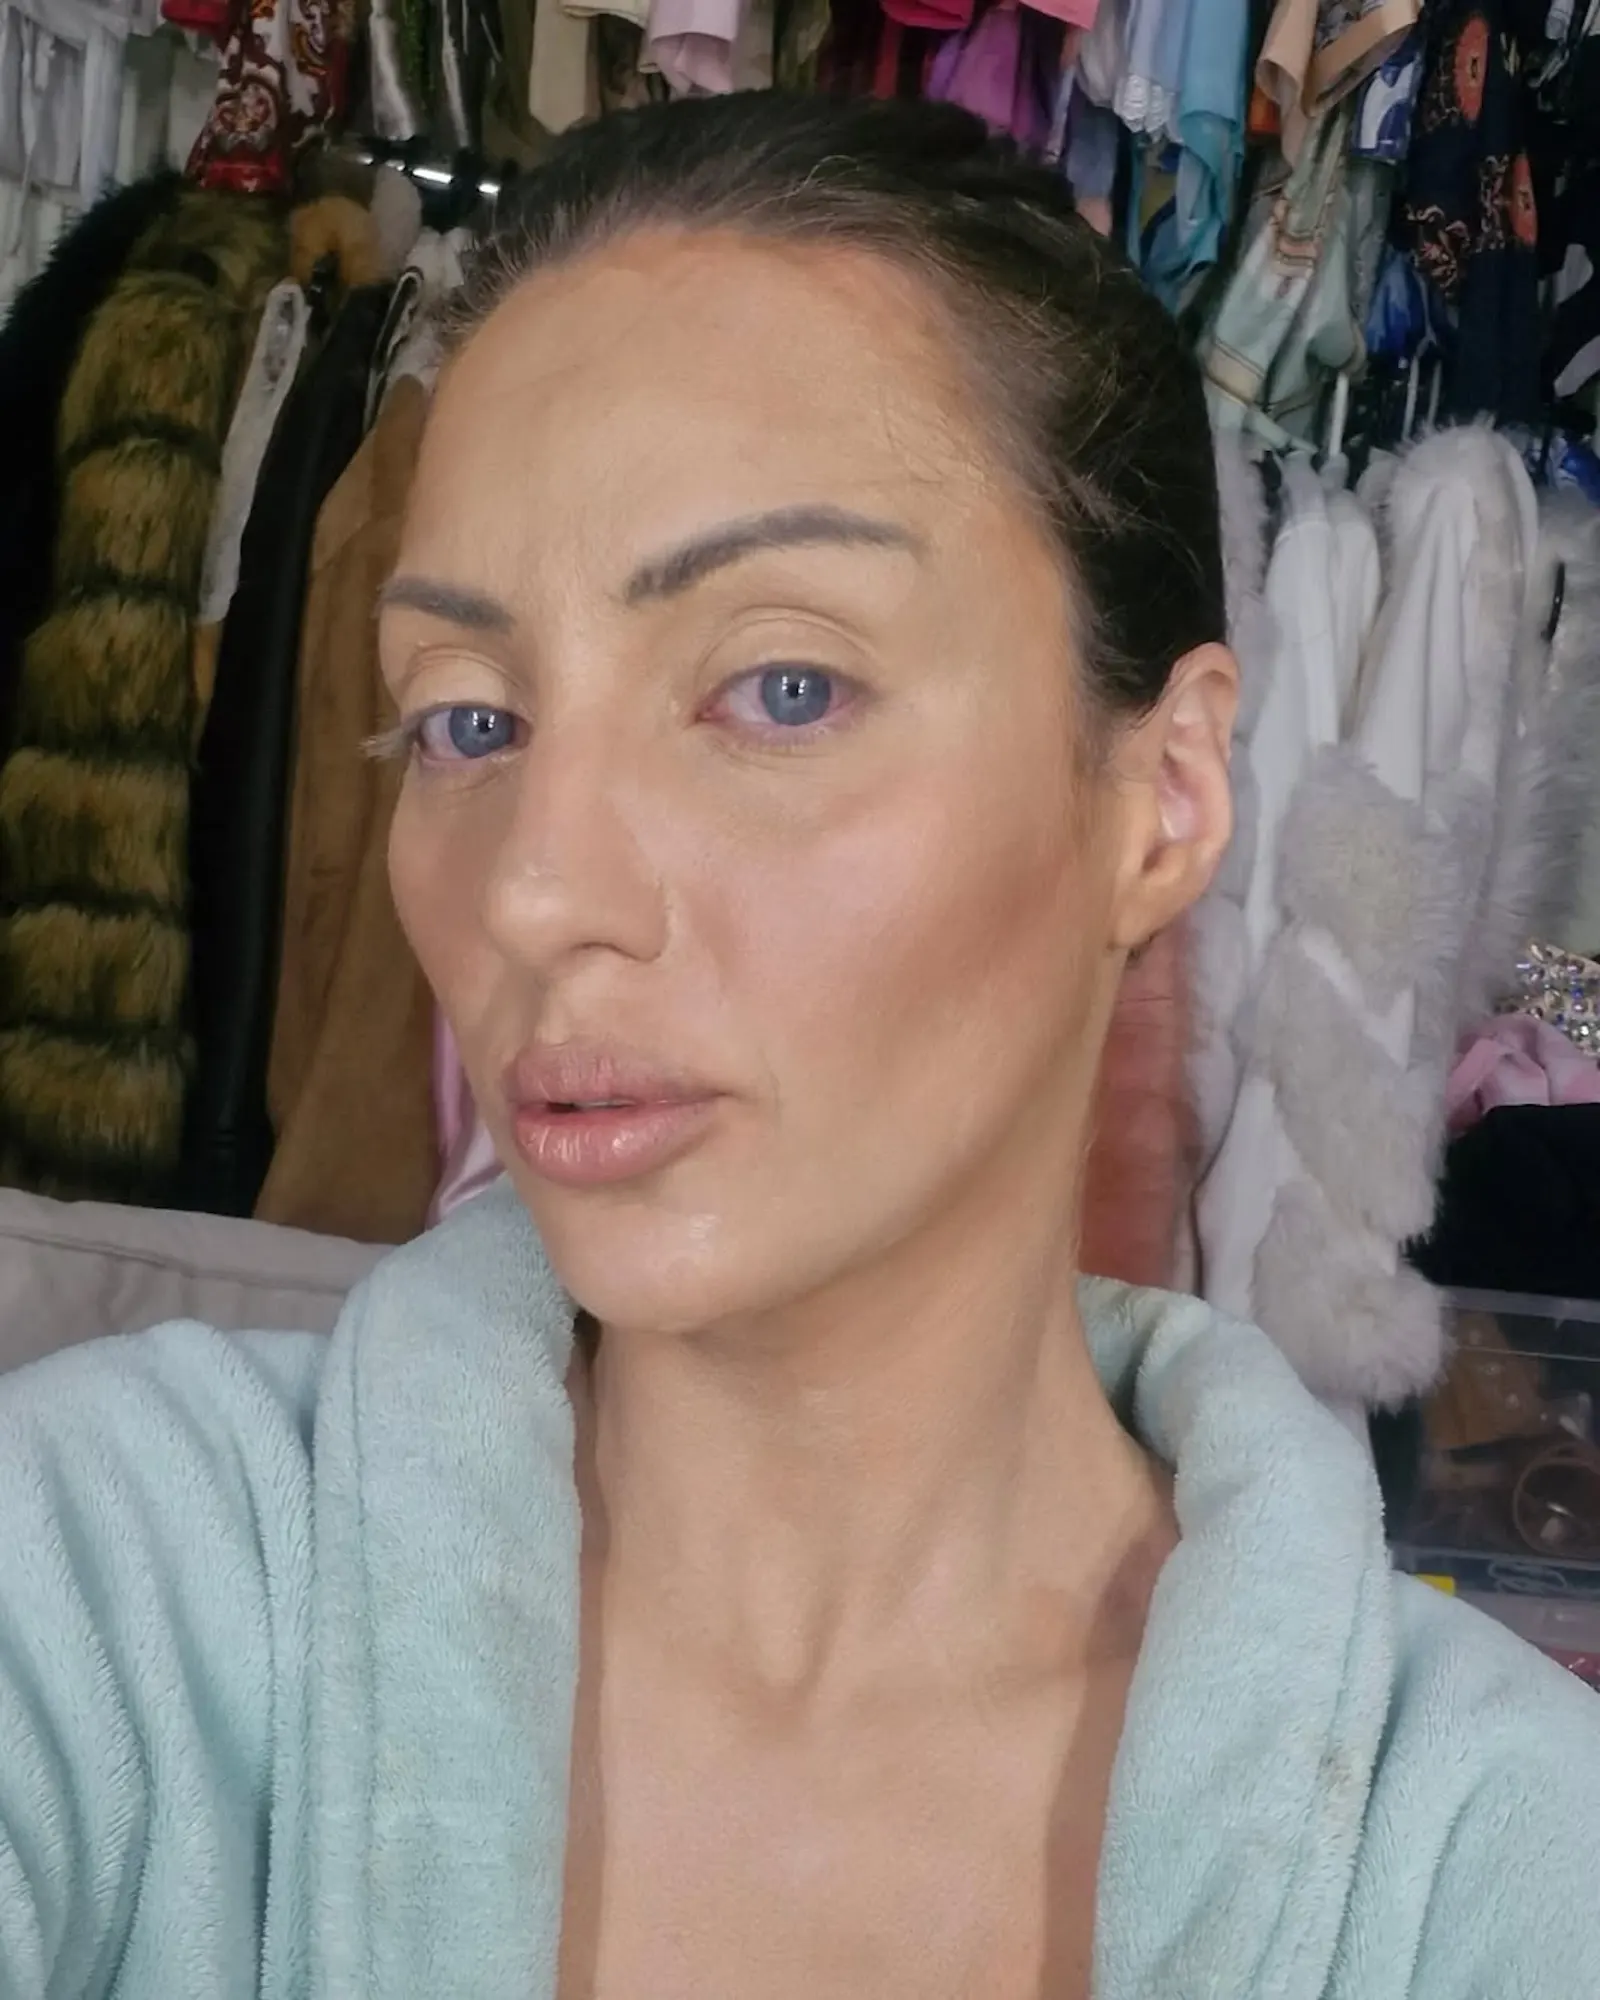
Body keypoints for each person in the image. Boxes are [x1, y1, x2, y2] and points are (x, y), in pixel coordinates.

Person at [2, 92, 1599, 2000]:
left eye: (780, 686)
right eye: (467, 719)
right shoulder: (113, 1576)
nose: (532, 890)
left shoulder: (1491, 1854)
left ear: (1164, 797)